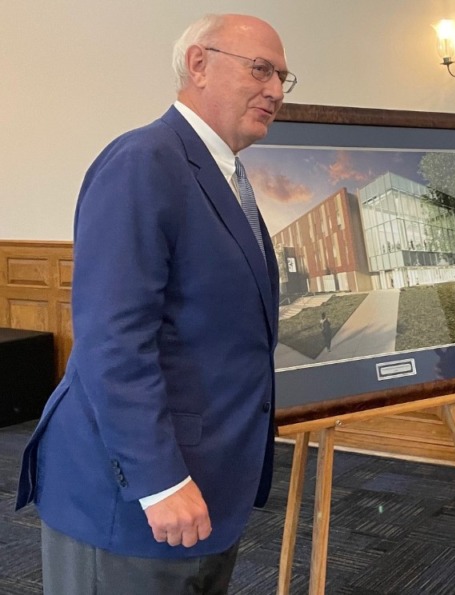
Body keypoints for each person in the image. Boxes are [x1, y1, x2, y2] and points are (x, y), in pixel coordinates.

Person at [16, 13, 295, 594]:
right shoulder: (145, 159)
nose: (274, 90)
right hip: (132, 497)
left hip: (208, 484)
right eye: (260, 69)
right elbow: (112, 339)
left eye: (282, 78)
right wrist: (160, 480)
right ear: (198, 63)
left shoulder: (226, 173)